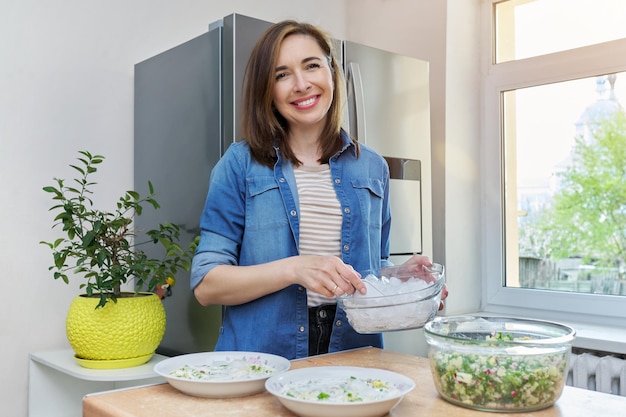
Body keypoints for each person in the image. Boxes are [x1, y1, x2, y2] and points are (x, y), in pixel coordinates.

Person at [190, 19, 447, 360]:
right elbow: (207, 284)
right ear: (266, 89)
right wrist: (294, 269)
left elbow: (368, 271)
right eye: (282, 74)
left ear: (331, 71)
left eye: (311, 66)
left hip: (354, 355)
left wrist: (400, 278)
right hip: (259, 359)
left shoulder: (372, 167)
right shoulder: (240, 164)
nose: (301, 84)